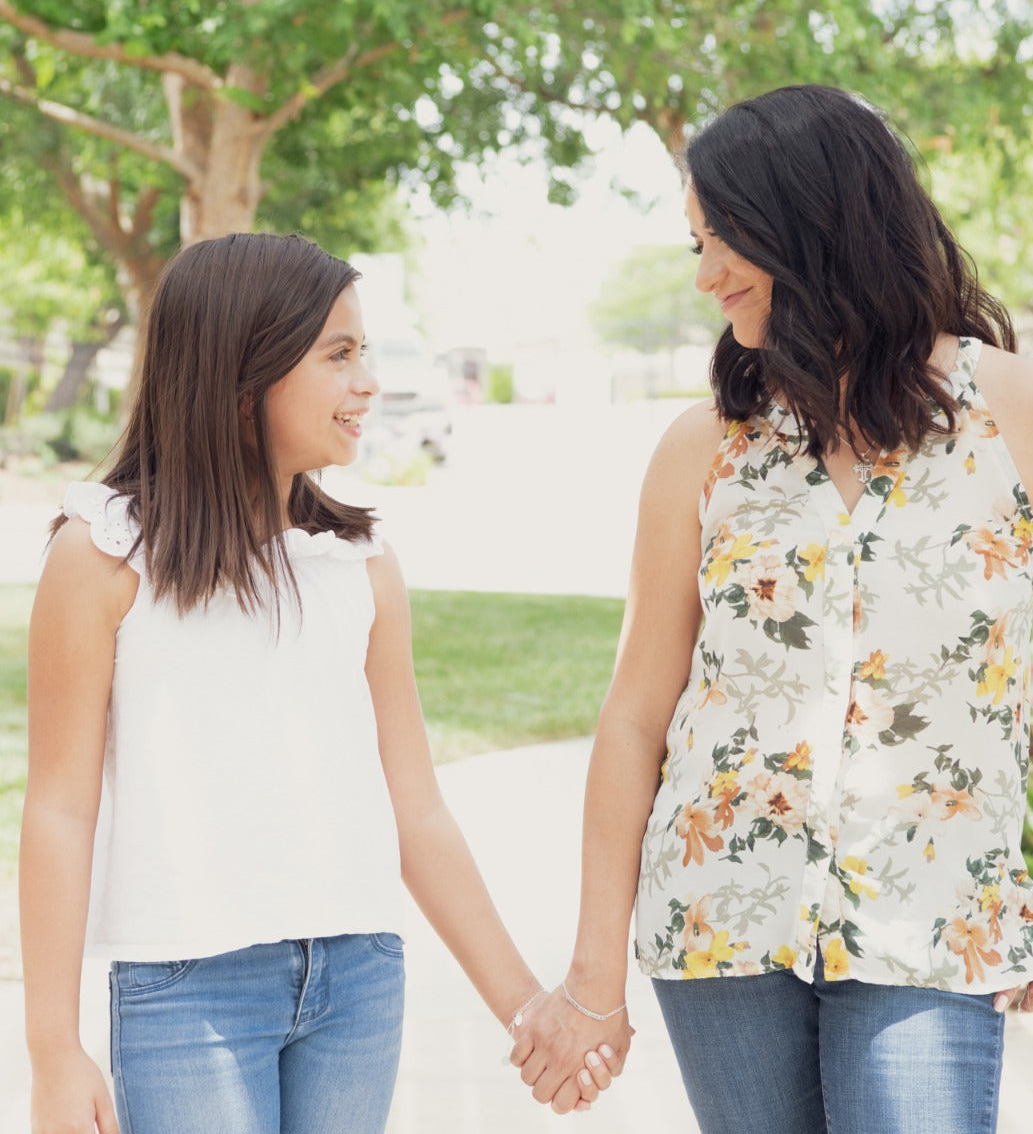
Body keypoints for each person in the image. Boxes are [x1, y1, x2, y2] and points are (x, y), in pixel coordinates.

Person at [513, 85, 1033, 1132]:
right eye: (696, 243)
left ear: (817, 221)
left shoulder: (1031, 415)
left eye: (724, 238)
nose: (706, 275)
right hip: (719, 920)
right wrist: (594, 978)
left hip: (935, 924)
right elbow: (639, 715)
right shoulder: (705, 450)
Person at [19, 233, 621, 1134]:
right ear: (241, 373)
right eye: (338, 355)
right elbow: (59, 812)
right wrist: (53, 1053)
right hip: (190, 992)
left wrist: (527, 1007)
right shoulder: (104, 552)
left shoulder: (360, 564)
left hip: (358, 977)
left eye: (363, 352)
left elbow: (415, 811)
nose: (368, 382)